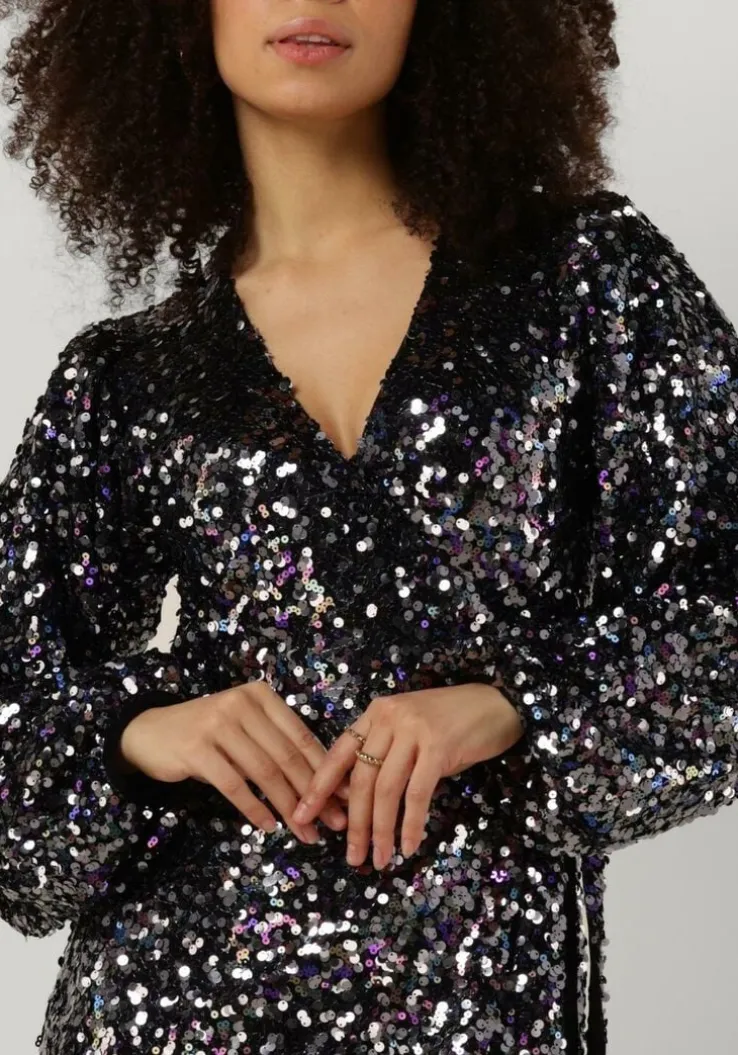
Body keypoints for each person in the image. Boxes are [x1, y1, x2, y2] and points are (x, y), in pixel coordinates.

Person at [0, 1, 736, 1053]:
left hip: (485, 1006)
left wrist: (515, 702)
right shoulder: (124, 379)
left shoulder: (587, 284)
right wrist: (133, 733)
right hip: (161, 1006)